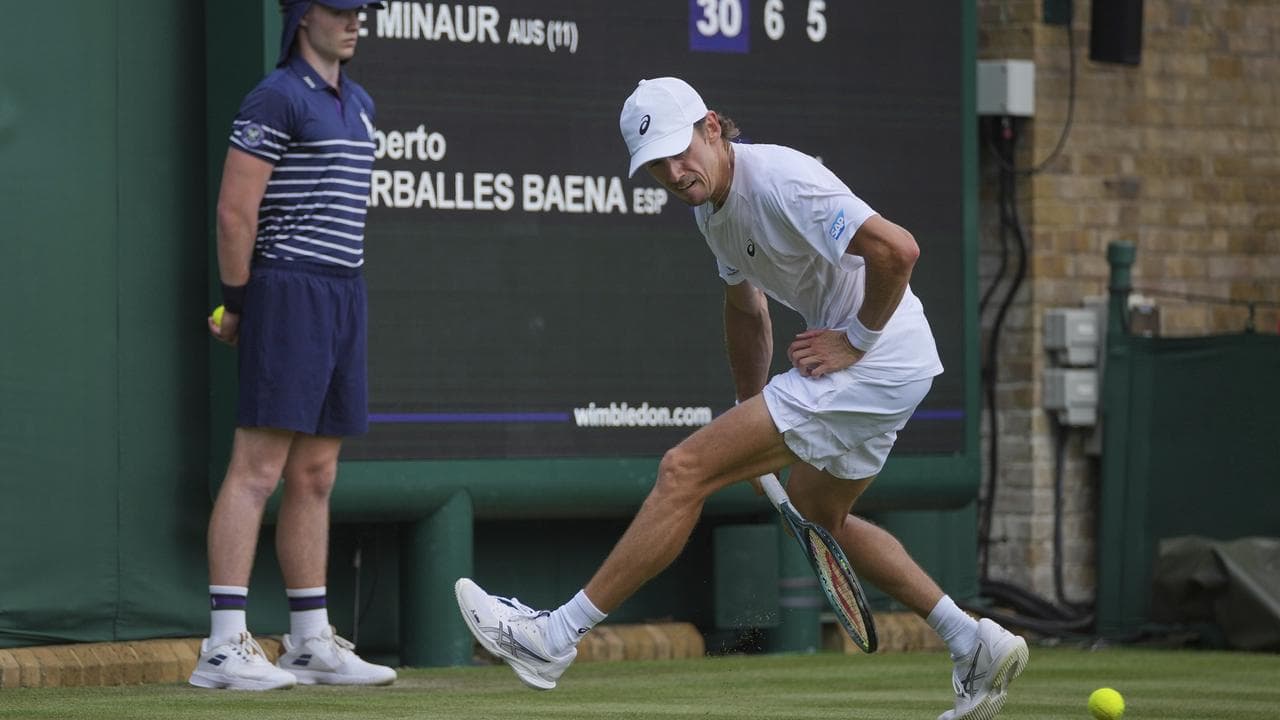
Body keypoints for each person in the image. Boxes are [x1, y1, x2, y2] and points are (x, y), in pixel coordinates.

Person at [454, 77, 1028, 719]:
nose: (673, 172)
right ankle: (970, 640)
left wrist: (856, 341)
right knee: (821, 515)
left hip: (878, 356)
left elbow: (899, 249)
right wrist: (747, 405)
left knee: (683, 471)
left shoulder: (782, 180)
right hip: (893, 366)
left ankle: (553, 639)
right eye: (655, 166)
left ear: (713, 128)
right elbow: (747, 308)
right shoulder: (711, 213)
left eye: (680, 151)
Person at [189, 0, 396, 691]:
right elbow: (234, 210)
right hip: (285, 289)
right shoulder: (274, 97)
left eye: (361, 10)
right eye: (341, 9)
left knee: (316, 475)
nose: (355, 21)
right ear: (303, 17)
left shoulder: (359, 101)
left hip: (343, 292)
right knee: (258, 468)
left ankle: (308, 641)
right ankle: (222, 648)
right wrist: (240, 302)